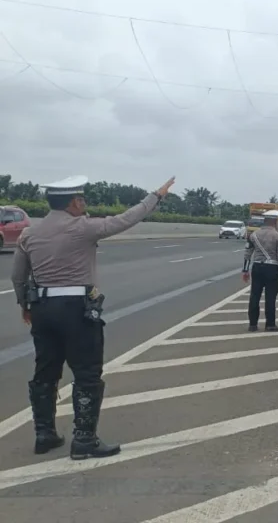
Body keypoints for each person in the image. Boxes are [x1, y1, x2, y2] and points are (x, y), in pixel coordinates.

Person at [11, 174, 176, 460]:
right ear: (75, 202)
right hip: (77, 309)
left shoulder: (29, 234)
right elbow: (126, 219)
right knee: (86, 373)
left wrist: (25, 305)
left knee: (45, 370)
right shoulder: (83, 227)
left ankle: (44, 434)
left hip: (42, 309)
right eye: (82, 200)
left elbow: (18, 277)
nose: (84, 205)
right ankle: (84, 440)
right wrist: (156, 196)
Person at [242, 209, 278, 332]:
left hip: (256, 267)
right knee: (270, 297)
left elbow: (247, 253)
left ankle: (253, 324)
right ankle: (270, 324)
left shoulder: (253, 235)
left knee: (254, 296)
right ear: (275, 221)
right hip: (272, 268)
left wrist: (245, 270)